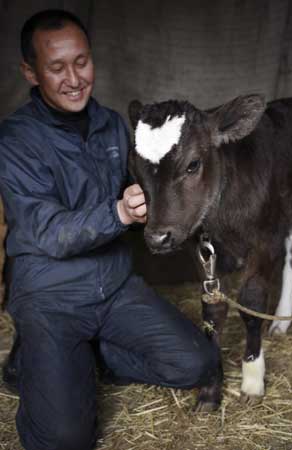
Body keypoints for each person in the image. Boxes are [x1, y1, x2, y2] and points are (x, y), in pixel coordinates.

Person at [0, 9, 221, 450]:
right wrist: (119, 213)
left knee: (198, 364)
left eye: (81, 62)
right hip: (51, 296)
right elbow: (48, 232)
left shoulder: (113, 125)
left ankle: (81, 359)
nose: (74, 78)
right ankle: (35, 362)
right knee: (66, 438)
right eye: (57, 67)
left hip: (114, 286)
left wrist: (180, 208)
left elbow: (140, 196)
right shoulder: (15, 141)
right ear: (31, 71)